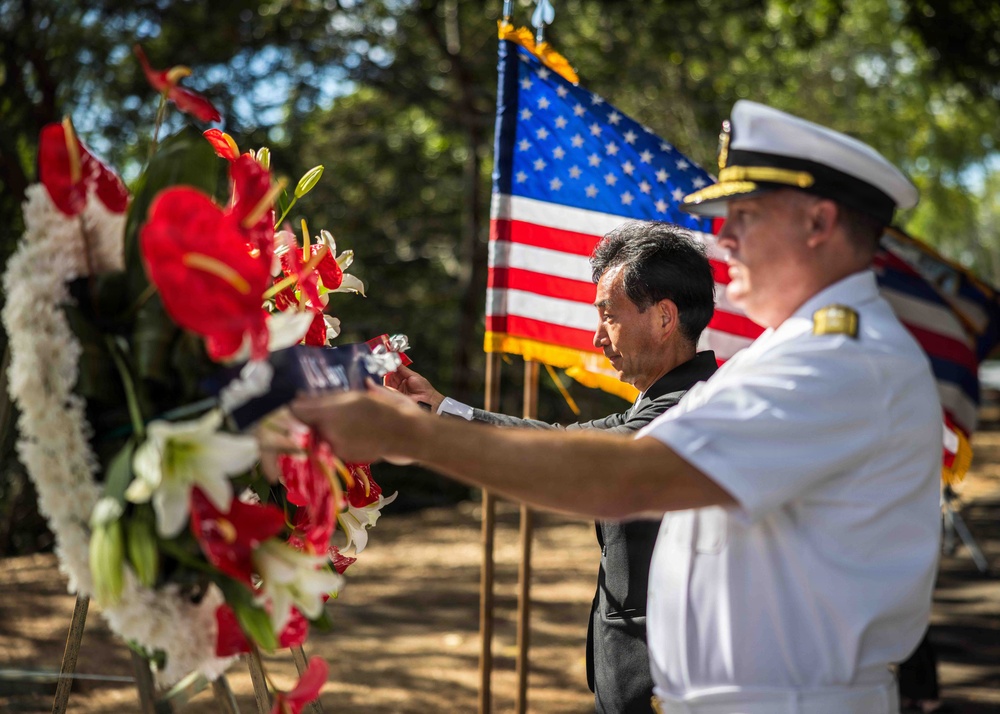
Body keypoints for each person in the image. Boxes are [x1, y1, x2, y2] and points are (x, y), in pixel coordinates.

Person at [292, 100, 942, 714]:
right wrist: (436, 417)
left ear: (819, 223)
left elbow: (629, 474)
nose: (725, 239)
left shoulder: (836, 361)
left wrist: (416, 436)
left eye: (744, 215)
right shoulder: (789, 350)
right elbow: (605, 445)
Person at [385, 221, 718, 714]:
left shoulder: (686, 409)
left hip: (663, 683)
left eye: (609, 315)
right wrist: (441, 409)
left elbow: (577, 461)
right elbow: (565, 440)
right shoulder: (668, 400)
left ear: (665, 317)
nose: (597, 337)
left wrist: (430, 437)